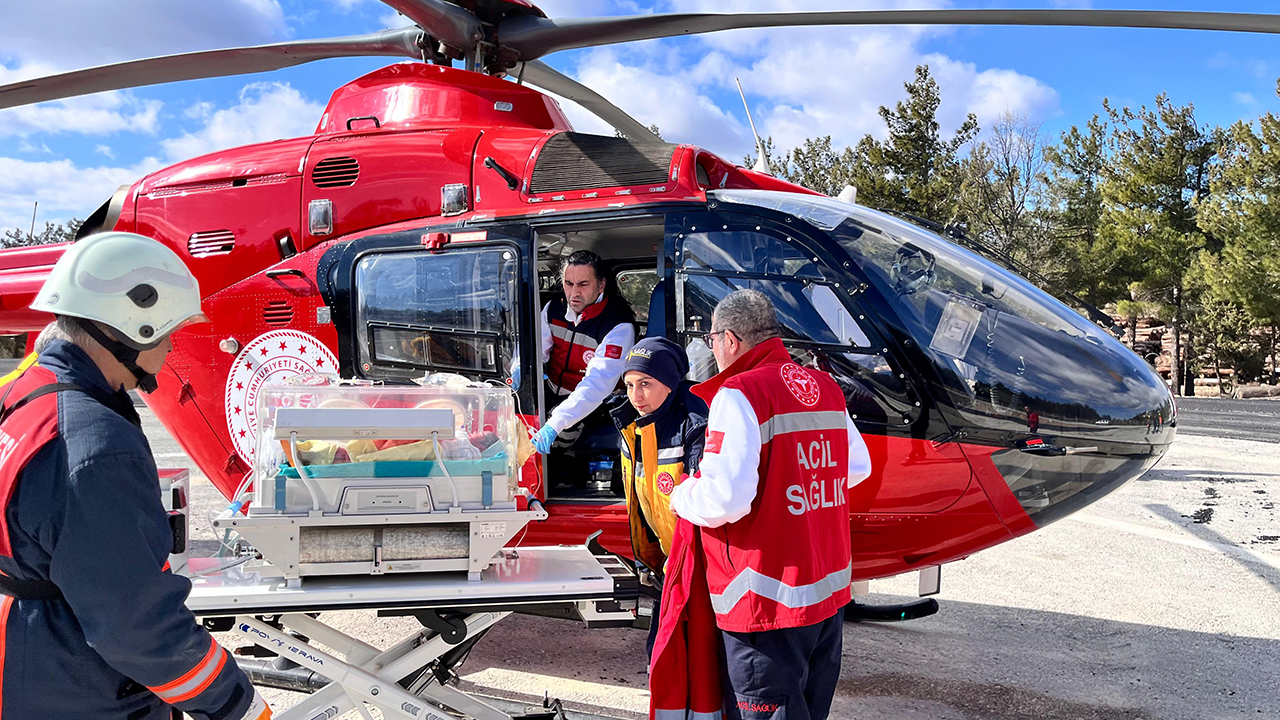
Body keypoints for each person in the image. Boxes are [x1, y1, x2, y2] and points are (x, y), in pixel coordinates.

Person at [0, 232, 270, 720]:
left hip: (30, 654)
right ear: (134, 327)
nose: (169, 349)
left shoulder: (24, 392)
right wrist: (239, 704)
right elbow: (139, 627)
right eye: (166, 333)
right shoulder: (96, 444)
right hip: (76, 684)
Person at [669, 289, 871, 720]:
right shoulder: (825, 386)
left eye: (711, 341)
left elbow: (724, 499)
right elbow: (856, 466)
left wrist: (681, 492)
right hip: (826, 596)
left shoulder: (739, 393)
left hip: (764, 600)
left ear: (729, 340)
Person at [609, 336, 707, 656]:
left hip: (699, 572)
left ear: (669, 384)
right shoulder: (632, 426)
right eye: (629, 384)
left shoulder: (695, 426)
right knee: (663, 660)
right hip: (667, 567)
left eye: (645, 384)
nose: (636, 395)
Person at [530, 250, 636, 460]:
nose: (574, 293)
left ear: (601, 285)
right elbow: (536, 353)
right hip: (552, 390)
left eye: (583, 284)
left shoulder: (618, 325)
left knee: (559, 443)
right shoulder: (553, 309)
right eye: (569, 284)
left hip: (595, 403)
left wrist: (556, 422)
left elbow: (597, 384)